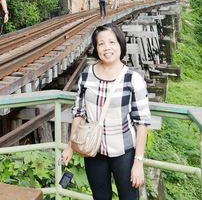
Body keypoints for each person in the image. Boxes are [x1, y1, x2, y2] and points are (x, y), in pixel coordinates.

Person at [62, 24, 152, 200]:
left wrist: (138, 162)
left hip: (124, 151)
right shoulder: (87, 74)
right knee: (100, 197)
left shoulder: (133, 79)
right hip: (94, 150)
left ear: (120, 45)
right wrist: (70, 146)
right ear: (96, 48)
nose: (107, 47)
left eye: (112, 42)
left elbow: (142, 123)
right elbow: (78, 113)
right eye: (101, 44)